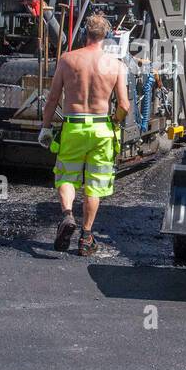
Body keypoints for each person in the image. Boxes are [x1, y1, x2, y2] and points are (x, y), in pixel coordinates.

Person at [39, 14, 130, 256]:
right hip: (102, 128)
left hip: (74, 126)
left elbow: (52, 99)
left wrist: (46, 127)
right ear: (106, 37)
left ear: (84, 35)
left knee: (66, 175)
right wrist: (116, 122)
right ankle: (87, 237)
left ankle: (67, 216)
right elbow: (124, 105)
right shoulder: (117, 65)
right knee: (95, 185)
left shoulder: (67, 60)